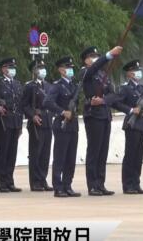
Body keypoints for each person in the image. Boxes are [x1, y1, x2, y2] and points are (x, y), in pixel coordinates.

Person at [79, 45, 128, 196]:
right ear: (86, 60)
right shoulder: (85, 72)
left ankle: (100, 183)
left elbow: (114, 95)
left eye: (97, 56)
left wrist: (103, 100)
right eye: (92, 57)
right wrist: (108, 55)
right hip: (93, 115)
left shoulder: (102, 74)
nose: (94, 59)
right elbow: (93, 68)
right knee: (94, 150)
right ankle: (92, 185)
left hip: (105, 114)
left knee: (103, 151)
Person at [44, 56, 80, 198]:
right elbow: (47, 102)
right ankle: (58, 187)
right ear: (61, 70)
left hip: (73, 125)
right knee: (60, 157)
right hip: (61, 124)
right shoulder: (57, 86)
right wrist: (62, 111)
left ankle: (67, 185)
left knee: (71, 157)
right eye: (67, 67)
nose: (70, 70)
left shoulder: (74, 86)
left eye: (71, 67)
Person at [0, 57, 24, 193]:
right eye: (9, 67)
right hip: (4, 121)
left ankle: (9, 180)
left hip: (15, 121)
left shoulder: (16, 84)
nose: (12, 70)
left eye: (13, 67)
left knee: (12, 153)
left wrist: (20, 123)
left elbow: (20, 104)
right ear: (3, 69)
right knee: (2, 152)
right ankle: (1, 182)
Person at [22, 58, 53, 192]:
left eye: (43, 68)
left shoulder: (48, 86)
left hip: (47, 121)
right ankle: (35, 181)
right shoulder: (30, 86)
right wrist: (32, 115)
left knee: (45, 153)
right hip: (36, 123)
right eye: (40, 68)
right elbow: (24, 105)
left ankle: (43, 179)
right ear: (34, 71)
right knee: (36, 153)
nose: (42, 70)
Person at [119, 60, 143, 195]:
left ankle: (136, 183)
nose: (138, 72)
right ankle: (127, 184)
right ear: (130, 74)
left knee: (138, 156)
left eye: (139, 70)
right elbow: (118, 103)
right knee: (130, 155)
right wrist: (131, 110)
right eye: (135, 71)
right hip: (132, 125)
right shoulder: (125, 89)